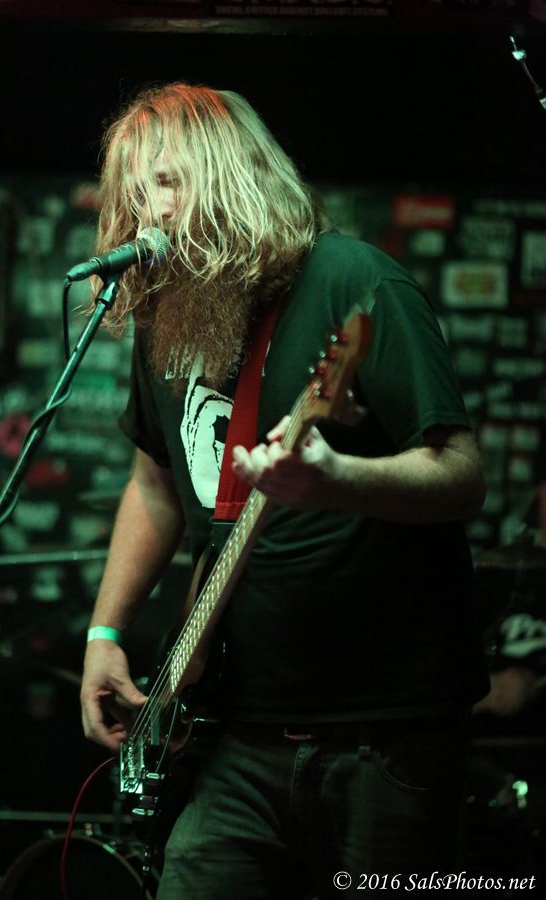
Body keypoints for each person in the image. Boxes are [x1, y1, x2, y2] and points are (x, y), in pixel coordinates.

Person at [80, 83, 489, 899]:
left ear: (232, 175)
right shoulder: (170, 317)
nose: (150, 211)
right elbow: (155, 482)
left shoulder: (354, 283)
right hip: (233, 730)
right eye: (136, 192)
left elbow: (461, 474)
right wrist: (104, 631)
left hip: (380, 734)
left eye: (169, 180)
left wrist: (340, 478)